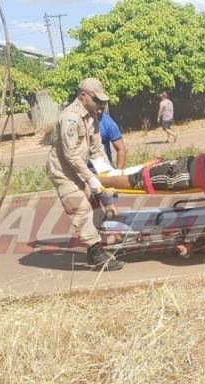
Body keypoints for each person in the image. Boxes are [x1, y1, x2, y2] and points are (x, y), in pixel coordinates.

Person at [47, 78, 124, 271]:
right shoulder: (70, 118)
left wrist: (108, 175)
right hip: (63, 171)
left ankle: (93, 250)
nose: (101, 105)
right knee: (80, 208)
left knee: (95, 204)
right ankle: (97, 252)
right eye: (97, 100)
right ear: (83, 96)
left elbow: (97, 150)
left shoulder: (92, 116)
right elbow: (70, 154)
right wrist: (90, 178)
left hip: (79, 168)